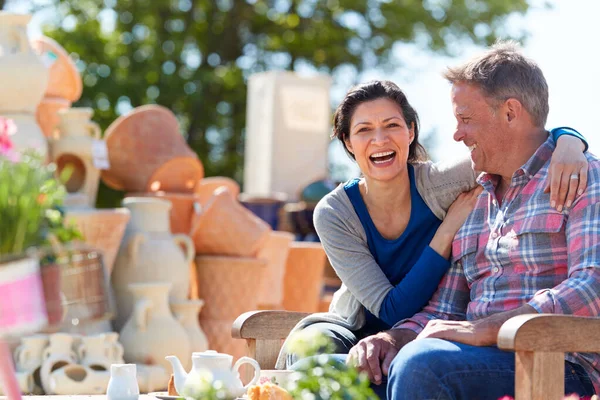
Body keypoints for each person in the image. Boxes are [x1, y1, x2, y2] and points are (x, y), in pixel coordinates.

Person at [276, 79, 589, 382]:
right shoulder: (335, 213)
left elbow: (519, 142)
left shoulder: (444, 183)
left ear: (411, 131)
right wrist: (448, 229)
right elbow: (390, 309)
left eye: (392, 125)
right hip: (356, 324)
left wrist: (570, 142)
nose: (380, 139)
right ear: (347, 142)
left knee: (414, 366)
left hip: (420, 332)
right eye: (364, 130)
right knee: (317, 353)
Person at [348, 41, 599, 399]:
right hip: (471, 356)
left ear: (511, 113)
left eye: (465, 119)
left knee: (422, 364)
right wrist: (392, 338)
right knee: (363, 372)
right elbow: (444, 308)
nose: (457, 134)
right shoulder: (474, 199)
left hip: (559, 366)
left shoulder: (582, 177)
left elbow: (593, 285)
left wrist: (489, 329)